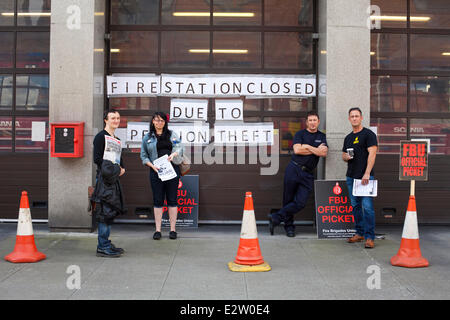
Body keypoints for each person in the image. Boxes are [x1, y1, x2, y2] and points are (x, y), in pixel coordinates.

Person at [269, 111, 328, 237]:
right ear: (307, 122)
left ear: (318, 122)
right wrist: (315, 149)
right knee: (288, 199)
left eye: (315, 120)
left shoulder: (322, 136)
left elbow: (323, 153)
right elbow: (297, 150)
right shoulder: (300, 134)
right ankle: (289, 227)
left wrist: (307, 146)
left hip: (308, 174)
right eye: (310, 120)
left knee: (300, 202)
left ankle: (276, 217)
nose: (312, 122)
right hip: (294, 169)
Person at [140, 112, 184, 240]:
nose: (159, 123)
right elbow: (143, 156)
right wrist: (152, 166)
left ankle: (172, 230)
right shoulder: (147, 138)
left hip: (171, 171)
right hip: (156, 172)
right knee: (158, 201)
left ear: (165, 122)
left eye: (162, 121)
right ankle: (158, 230)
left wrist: (173, 155)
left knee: (172, 200)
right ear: (153, 121)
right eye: (157, 120)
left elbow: (180, 147)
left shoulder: (171, 134)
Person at [92, 109, 126, 257]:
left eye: (118, 118)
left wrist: (121, 168)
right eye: (113, 118)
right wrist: (115, 169)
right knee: (104, 213)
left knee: (110, 211)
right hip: (104, 180)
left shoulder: (116, 138)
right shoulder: (100, 137)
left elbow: (118, 158)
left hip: (113, 179)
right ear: (106, 120)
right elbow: (97, 159)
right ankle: (103, 246)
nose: (116, 120)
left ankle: (105, 242)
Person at [342, 107, 378, 249]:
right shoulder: (348, 138)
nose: (355, 118)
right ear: (349, 119)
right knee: (355, 206)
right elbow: (344, 156)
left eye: (357, 116)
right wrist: (346, 156)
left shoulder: (368, 135)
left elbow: (372, 154)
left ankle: (369, 237)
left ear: (361, 118)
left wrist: (367, 173)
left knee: (367, 208)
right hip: (351, 177)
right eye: (352, 116)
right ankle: (359, 233)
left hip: (365, 177)